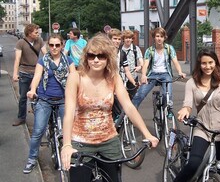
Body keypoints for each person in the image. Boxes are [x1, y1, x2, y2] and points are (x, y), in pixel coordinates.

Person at [60, 34, 158, 182]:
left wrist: (147, 134)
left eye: (101, 56)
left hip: (109, 140)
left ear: (108, 58)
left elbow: (129, 107)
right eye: (91, 56)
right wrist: (66, 145)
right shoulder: (76, 77)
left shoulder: (113, 77)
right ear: (86, 57)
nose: (96, 60)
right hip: (81, 141)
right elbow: (68, 114)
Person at [175, 48, 220, 182]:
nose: (208, 66)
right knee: (193, 163)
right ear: (199, 64)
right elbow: (187, 103)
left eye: (211, 62)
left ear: (215, 63)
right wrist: (185, 110)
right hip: (202, 129)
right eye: (204, 63)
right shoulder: (191, 83)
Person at [23, 34, 75, 174]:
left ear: (62, 46)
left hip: (64, 99)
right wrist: (33, 90)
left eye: (57, 45)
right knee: (38, 131)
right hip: (45, 99)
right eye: (51, 45)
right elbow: (37, 77)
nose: (54, 48)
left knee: (69, 131)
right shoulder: (42, 61)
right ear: (48, 46)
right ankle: (32, 159)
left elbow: (75, 78)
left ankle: (71, 156)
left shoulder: (68, 60)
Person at [132, 27, 186, 109]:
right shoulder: (149, 50)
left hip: (165, 74)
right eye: (157, 36)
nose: (159, 38)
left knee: (167, 95)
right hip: (152, 74)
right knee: (140, 94)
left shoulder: (169, 49)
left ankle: (168, 112)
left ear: (164, 38)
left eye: (161, 36)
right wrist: (143, 75)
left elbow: (175, 62)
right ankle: (130, 114)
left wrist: (180, 72)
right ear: (154, 37)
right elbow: (145, 65)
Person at [12, 23, 47, 126]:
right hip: (24, 73)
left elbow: (45, 54)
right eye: (36, 32)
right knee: (23, 97)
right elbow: (17, 59)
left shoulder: (39, 41)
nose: (38, 34)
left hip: (37, 73)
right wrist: (15, 74)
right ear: (29, 33)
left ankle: (39, 118)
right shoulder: (20, 43)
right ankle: (21, 118)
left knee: (38, 96)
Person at [120, 29, 144, 94]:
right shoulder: (119, 49)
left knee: (133, 97)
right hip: (121, 77)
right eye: (126, 38)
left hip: (133, 76)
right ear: (123, 39)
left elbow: (141, 60)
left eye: (130, 38)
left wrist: (140, 66)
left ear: (132, 39)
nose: (128, 40)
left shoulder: (135, 49)